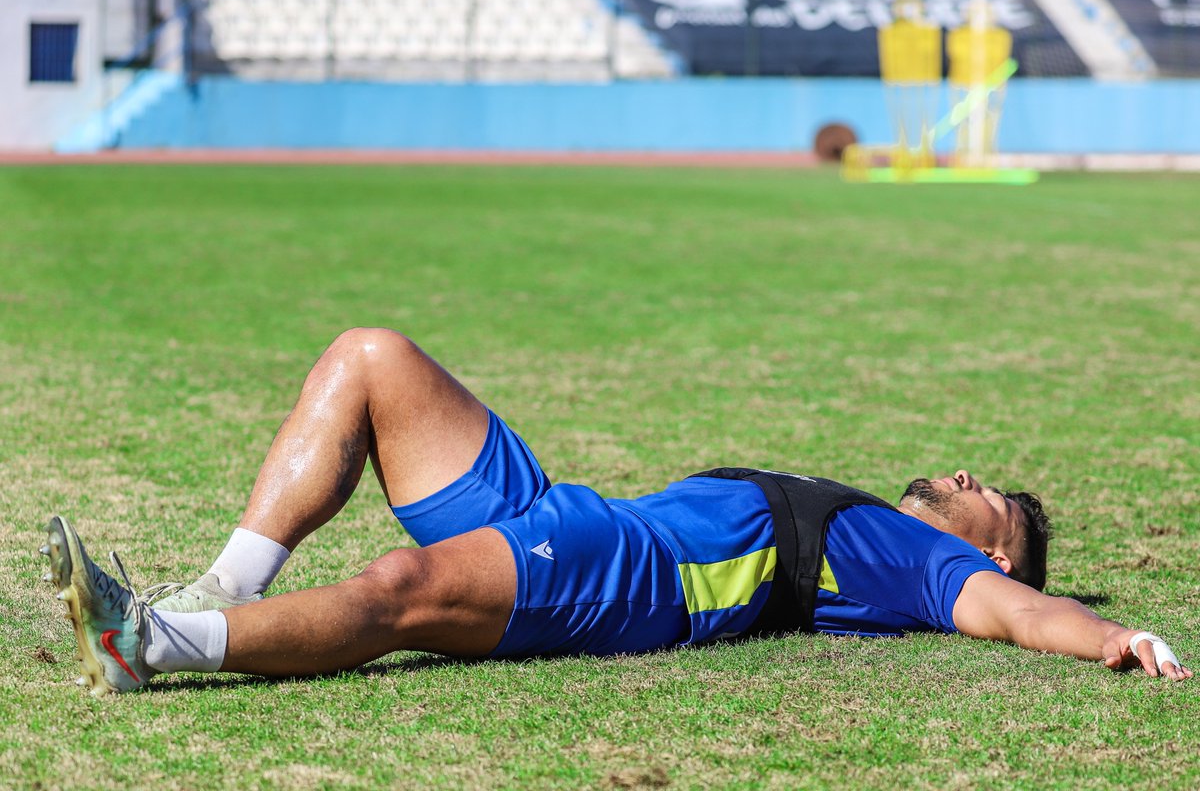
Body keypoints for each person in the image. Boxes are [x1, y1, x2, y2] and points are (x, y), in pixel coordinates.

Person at [40, 328, 1191, 696]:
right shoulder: (886, 530)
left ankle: (147, 639)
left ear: (984, 543)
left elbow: (1019, 614)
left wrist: (1110, 635)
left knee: (404, 593)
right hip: (572, 514)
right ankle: (220, 588)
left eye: (976, 491)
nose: (952, 473)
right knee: (371, 356)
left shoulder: (925, 566)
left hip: (628, 580)